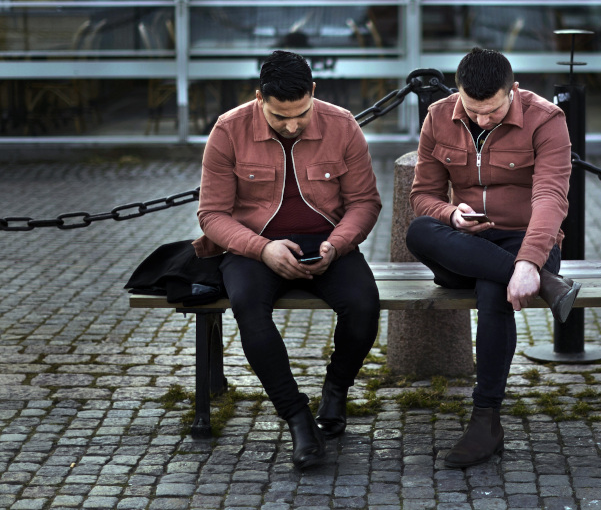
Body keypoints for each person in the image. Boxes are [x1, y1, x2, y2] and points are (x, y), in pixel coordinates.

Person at [192, 50, 382, 470]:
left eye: (302, 113)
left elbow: (365, 203)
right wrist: (263, 249)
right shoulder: (228, 130)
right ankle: (297, 419)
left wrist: (337, 244)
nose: (293, 125)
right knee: (248, 308)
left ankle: (335, 392)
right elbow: (211, 214)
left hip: (326, 241)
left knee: (365, 304)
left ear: (314, 92)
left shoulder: (342, 125)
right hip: (253, 245)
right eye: (280, 117)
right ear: (259, 97)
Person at [405, 47, 581, 468]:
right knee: (419, 232)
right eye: (473, 109)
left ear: (512, 90)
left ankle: (485, 420)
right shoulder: (438, 116)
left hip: (528, 243)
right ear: (459, 92)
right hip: (466, 245)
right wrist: (451, 214)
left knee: (493, 289)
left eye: (492, 111)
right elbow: (422, 196)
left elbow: (551, 197)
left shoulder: (546, 120)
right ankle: (550, 286)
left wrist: (528, 261)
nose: (482, 120)